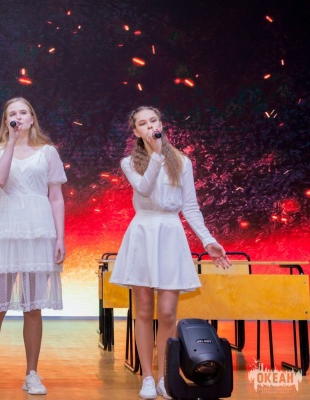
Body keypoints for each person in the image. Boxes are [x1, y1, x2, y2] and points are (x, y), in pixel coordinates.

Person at [109, 106, 231, 399]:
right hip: (143, 232)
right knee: (142, 310)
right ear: (136, 131)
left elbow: (190, 206)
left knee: (166, 313)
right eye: (143, 123)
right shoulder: (129, 162)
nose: (150, 126)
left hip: (171, 234)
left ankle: (165, 376)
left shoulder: (182, 161)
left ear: (161, 124)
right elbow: (144, 189)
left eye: (154, 120)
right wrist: (156, 155)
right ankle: (147, 377)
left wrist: (208, 240)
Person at [0, 98, 67, 396]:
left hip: (39, 230)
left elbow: (56, 197)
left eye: (24, 112)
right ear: (6, 121)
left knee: (33, 308)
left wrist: (60, 237)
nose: (19, 117)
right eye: (13, 114)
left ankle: (32, 373)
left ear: (32, 118)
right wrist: (10, 142)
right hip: (7, 228)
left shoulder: (48, 152)